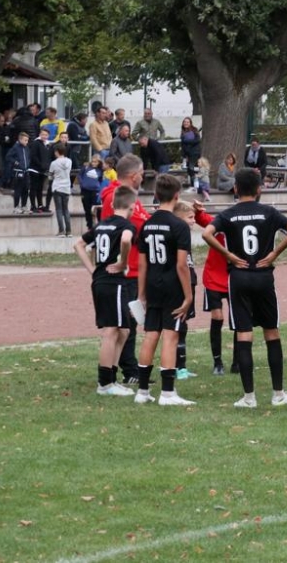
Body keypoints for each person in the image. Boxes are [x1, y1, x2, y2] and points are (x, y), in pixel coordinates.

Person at [201, 167, 287, 408]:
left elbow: (207, 233)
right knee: (271, 332)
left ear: (235, 188)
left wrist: (228, 255)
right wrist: (275, 253)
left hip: (239, 277)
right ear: (259, 189)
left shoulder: (228, 214)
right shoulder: (269, 212)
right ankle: (278, 394)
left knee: (244, 334)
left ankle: (249, 397)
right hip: (263, 276)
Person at [135, 174, 195, 406]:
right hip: (172, 286)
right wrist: (188, 295)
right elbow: (181, 265)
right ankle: (168, 393)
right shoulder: (179, 226)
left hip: (152, 284)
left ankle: (142, 391)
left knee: (151, 334)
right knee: (170, 335)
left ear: (156, 195)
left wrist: (141, 294)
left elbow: (142, 264)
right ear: (177, 196)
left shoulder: (147, 225)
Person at [72, 185, 137, 397]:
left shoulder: (102, 225)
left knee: (124, 330)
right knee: (111, 330)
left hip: (102, 281)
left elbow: (78, 244)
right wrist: (123, 263)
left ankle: (112, 376)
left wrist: (93, 270)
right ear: (132, 206)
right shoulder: (126, 225)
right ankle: (105, 383)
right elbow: (126, 239)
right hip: (112, 282)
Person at [100, 154, 151, 386]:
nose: (143, 177)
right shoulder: (115, 196)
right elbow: (137, 225)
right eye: (141, 173)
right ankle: (126, 370)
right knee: (124, 324)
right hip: (124, 270)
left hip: (133, 268)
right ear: (132, 175)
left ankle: (125, 369)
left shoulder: (128, 196)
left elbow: (142, 220)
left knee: (130, 323)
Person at [193, 200, 232, 376]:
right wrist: (197, 210)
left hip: (234, 277)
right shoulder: (220, 224)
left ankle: (238, 361)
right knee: (217, 316)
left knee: (238, 318)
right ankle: (217, 362)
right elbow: (201, 219)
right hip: (213, 277)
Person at [172, 200, 200, 381]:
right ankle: (177, 367)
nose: (193, 221)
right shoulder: (176, 235)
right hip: (180, 285)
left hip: (189, 281)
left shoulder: (185, 235)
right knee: (178, 326)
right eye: (190, 217)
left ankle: (181, 365)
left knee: (183, 325)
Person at [48, 144, 73, 237]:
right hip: (66, 188)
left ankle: (61, 231)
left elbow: (50, 176)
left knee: (59, 210)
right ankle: (69, 231)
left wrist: (54, 176)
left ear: (56, 152)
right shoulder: (69, 161)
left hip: (57, 187)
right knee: (66, 209)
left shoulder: (53, 163)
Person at [4, 132, 31, 213]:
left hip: (26, 171)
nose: (27, 142)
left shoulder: (26, 148)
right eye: (25, 140)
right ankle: (16, 207)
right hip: (18, 172)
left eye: (27, 140)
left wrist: (28, 165)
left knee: (26, 190)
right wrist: (16, 163)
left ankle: (24, 206)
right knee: (18, 190)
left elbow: (28, 157)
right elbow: (8, 157)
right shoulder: (15, 147)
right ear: (20, 140)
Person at [28, 128, 51, 214]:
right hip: (35, 169)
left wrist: (46, 166)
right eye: (43, 134)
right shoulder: (36, 143)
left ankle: (40, 205)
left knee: (40, 188)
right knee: (33, 188)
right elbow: (33, 156)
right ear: (40, 135)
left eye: (46, 135)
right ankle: (33, 206)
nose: (44, 136)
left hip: (43, 170)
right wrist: (40, 164)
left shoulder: (48, 145)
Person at [79, 153, 103, 231]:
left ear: (99, 162)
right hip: (85, 191)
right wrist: (82, 184)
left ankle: (99, 224)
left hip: (95, 191)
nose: (94, 163)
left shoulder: (100, 170)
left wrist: (98, 187)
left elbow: (101, 180)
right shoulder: (86, 167)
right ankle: (89, 226)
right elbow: (80, 175)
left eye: (96, 162)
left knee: (97, 208)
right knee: (87, 209)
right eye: (93, 161)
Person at [179, 117, 201, 187]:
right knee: (189, 170)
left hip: (194, 153)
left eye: (187, 122)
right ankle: (193, 184)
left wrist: (186, 141)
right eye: (184, 122)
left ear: (190, 123)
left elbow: (197, 140)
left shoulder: (194, 130)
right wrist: (184, 155)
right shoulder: (183, 132)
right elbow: (183, 145)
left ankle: (195, 184)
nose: (186, 123)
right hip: (188, 154)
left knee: (191, 169)